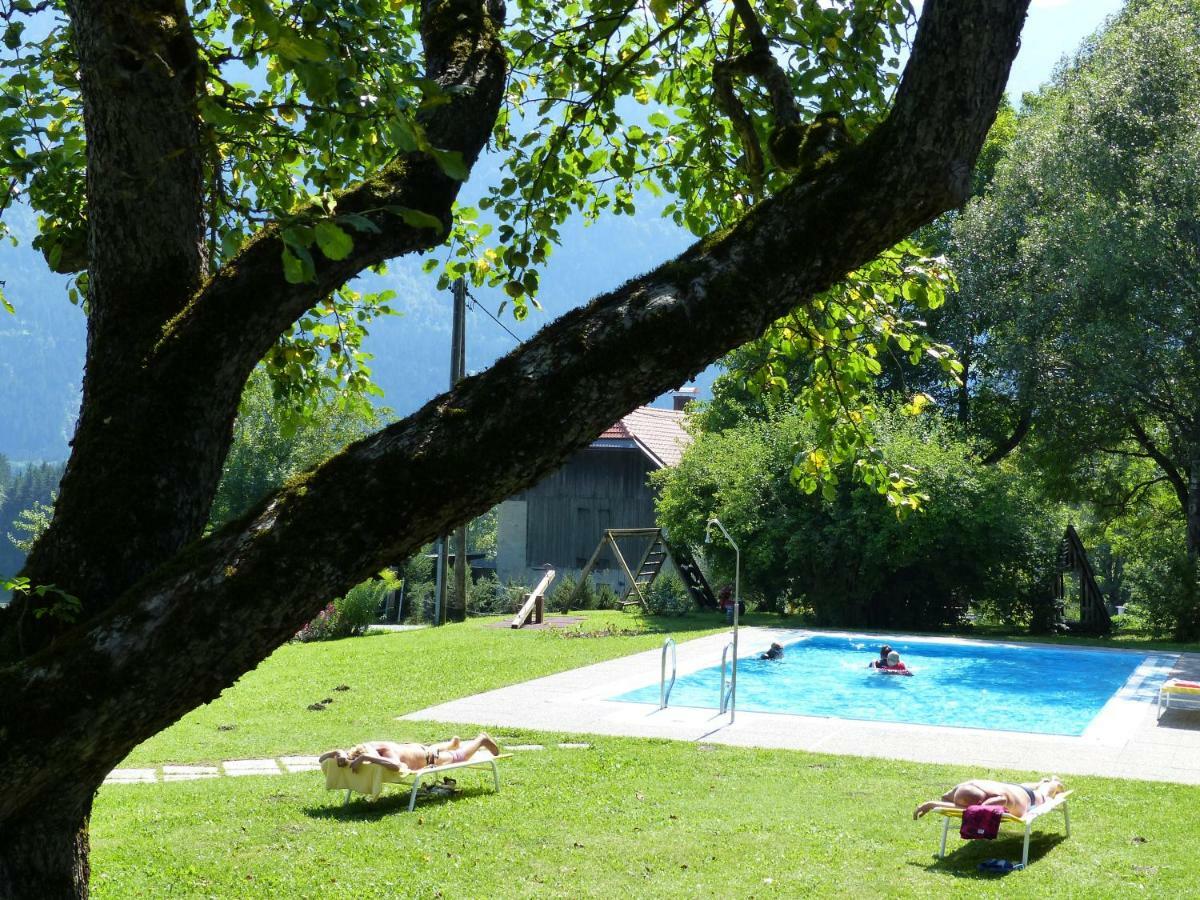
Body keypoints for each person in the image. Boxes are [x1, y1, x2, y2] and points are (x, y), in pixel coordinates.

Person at [320, 732, 501, 772]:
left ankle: (481, 740)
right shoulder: (368, 746)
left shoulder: (385, 751)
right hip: (417, 750)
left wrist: (367, 758)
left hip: (428, 758)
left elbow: (397, 766)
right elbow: (321, 759)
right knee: (432, 750)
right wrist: (338, 753)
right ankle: (451, 744)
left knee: (460, 757)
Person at [913, 776, 1066, 819]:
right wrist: (934, 803)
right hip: (1011, 787)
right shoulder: (967, 786)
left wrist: (932, 804)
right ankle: (1040, 782)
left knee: (1044, 793)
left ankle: (1054, 783)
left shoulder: (999, 799)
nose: (963, 808)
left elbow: (977, 810)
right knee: (1019, 786)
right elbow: (945, 797)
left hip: (1029, 798)